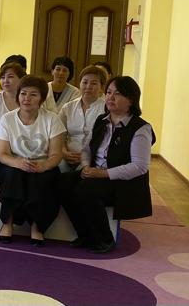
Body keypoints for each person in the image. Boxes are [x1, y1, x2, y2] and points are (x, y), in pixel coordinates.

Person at [61, 76, 156, 253]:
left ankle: (104, 239)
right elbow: (87, 148)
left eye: (117, 94)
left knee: (84, 189)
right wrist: (86, 166)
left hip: (122, 182)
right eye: (109, 92)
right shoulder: (102, 120)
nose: (110, 97)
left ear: (131, 100)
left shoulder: (140, 128)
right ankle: (85, 234)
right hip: (96, 174)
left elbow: (139, 166)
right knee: (62, 182)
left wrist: (102, 174)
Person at [0, 75, 65, 246]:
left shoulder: (52, 119)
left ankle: (37, 227)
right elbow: (2, 154)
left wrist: (43, 166)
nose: (27, 98)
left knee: (42, 179)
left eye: (33, 94)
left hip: (43, 164)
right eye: (23, 93)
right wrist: (18, 163)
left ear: (42, 99)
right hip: (14, 162)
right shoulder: (7, 119)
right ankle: (7, 223)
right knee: (12, 175)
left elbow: (56, 155)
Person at [58, 66, 107, 173]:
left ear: (102, 87)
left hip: (94, 157)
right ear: (79, 84)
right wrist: (64, 152)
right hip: (67, 155)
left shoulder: (106, 109)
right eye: (85, 82)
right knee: (58, 170)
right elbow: (59, 135)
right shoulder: (68, 107)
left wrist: (87, 157)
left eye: (94, 83)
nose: (88, 86)